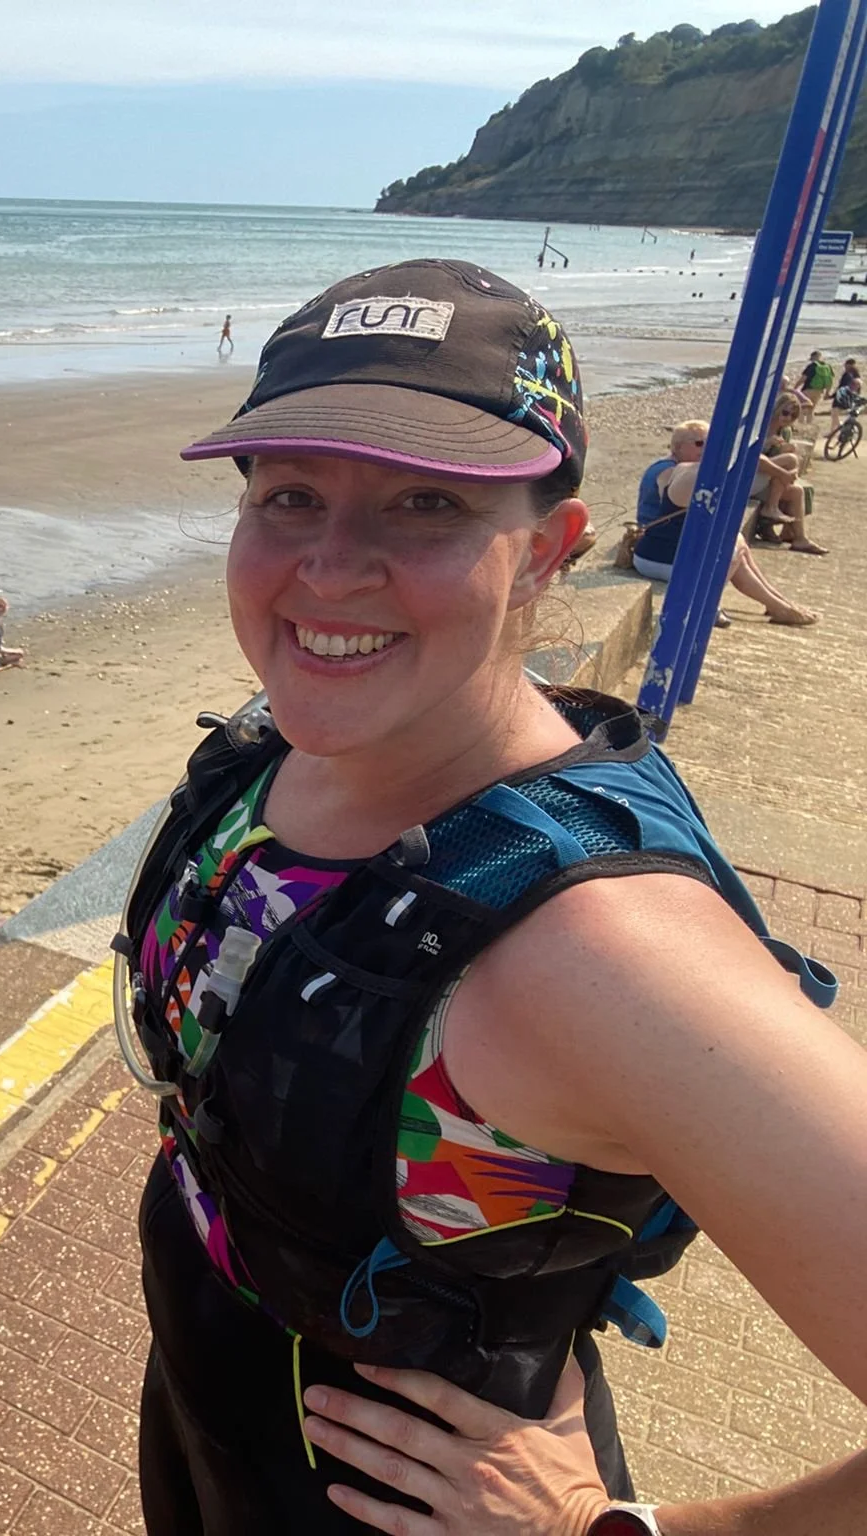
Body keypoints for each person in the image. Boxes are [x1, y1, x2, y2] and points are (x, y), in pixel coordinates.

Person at [122, 258, 867, 1533]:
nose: (330, 567)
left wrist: (616, 1530)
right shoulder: (284, 754)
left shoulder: (597, 947)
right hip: (205, 1434)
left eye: (423, 504)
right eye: (290, 497)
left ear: (546, 554)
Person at [631, 419, 815, 626]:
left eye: (710, 444)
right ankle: (705, 606)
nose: (706, 449)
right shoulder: (675, 472)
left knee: (738, 545)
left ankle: (778, 603)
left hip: (670, 543)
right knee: (732, 549)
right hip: (659, 548)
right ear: (677, 447)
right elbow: (672, 497)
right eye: (699, 444)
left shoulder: (687, 468)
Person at [751, 394, 826, 554]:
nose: (787, 418)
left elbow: (793, 465)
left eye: (792, 416)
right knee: (789, 461)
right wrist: (767, 445)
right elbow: (754, 460)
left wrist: (785, 452)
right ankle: (770, 509)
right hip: (750, 477)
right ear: (777, 408)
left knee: (797, 491)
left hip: (767, 480)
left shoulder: (784, 432)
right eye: (785, 412)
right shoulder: (759, 428)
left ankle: (799, 538)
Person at [798, 350, 834, 416]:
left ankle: (802, 424)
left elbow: (803, 379)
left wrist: (795, 387)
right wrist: (827, 393)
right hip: (819, 391)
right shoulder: (828, 367)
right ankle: (809, 423)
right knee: (811, 409)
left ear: (813, 357)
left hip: (808, 389)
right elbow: (830, 381)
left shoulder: (812, 366)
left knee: (802, 408)